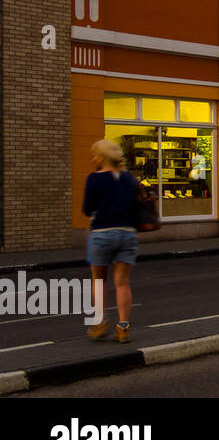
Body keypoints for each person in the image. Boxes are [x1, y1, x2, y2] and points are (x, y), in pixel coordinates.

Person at [82, 139, 141, 343]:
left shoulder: (94, 179)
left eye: (94, 155)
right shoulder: (128, 178)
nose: (92, 158)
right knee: (122, 283)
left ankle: (99, 323)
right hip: (127, 234)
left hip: (102, 233)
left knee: (99, 281)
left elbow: (87, 209)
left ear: (101, 157)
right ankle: (123, 328)